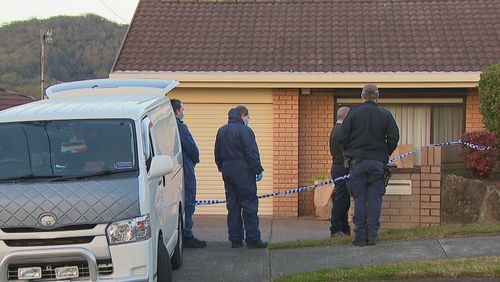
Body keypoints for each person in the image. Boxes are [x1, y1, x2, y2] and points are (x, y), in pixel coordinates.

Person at [339, 84, 399, 246]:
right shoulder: (385, 114)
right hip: (377, 163)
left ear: (362, 96)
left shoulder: (353, 114)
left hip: (357, 162)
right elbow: (394, 137)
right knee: (374, 199)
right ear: (377, 96)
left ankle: (360, 236)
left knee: (359, 199)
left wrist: (349, 153)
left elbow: (342, 137)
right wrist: (384, 154)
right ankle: (372, 236)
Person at [214, 105, 268, 249]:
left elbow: (217, 153)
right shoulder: (245, 131)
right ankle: (253, 238)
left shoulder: (221, 131)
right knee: (249, 205)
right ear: (243, 116)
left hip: (228, 171)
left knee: (233, 206)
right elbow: (251, 152)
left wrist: (222, 167)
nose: (248, 120)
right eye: (247, 117)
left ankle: (235, 239)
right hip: (243, 172)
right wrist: (258, 169)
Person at [170, 99, 206, 248]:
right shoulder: (180, 128)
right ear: (177, 111)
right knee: (189, 200)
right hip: (185, 167)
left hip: (173, 171)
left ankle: (180, 233)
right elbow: (192, 148)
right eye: (182, 109)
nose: (183, 112)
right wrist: (196, 158)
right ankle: (187, 234)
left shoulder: (165, 128)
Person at [329, 106, 351, 237]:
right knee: (341, 200)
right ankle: (335, 228)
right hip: (341, 168)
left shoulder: (335, 129)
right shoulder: (342, 131)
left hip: (337, 167)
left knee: (344, 199)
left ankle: (344, 227)